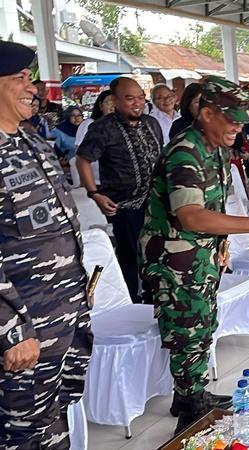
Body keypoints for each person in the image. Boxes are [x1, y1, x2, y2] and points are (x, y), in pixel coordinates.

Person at [139, 76, 249, 434]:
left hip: (201, 254)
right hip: (176, 259)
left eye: (244, 119)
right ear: (207, 113)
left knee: (201, 324)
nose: (239, 126)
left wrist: (224, 246)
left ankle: (189, 395)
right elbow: (191, 215)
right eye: (232, 118)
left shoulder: (215, 146)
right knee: (187, 329)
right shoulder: (186, 151)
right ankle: (190, 412)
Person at [0, 40, 92, 450]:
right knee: (19, 434)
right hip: (21, 331)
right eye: (20, 78)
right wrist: (10, 331)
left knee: (53, 427)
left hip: (63, 319)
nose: (32, 87)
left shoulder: (34, 142)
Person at [76, 76, 164, 303]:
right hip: (124, 206)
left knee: (158, 254)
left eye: (140, 97)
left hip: (156, 203)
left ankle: (157, 298)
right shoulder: (102, 128)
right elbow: (83, 160)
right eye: (129, 98)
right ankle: (131, 305)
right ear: (115, 101)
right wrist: (94, 193)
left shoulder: (151, 123)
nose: (137, 103)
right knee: (131, 258)